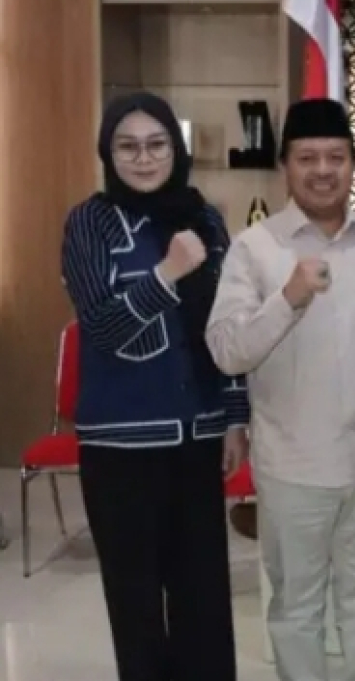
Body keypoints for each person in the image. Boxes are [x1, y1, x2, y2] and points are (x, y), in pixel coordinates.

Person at [205, 98, 355, 681]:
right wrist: (288, 299)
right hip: (293, 464)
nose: (323, 170)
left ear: (354, 163)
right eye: (307, 157)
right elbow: (227, 350)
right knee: (297, 606)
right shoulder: (254, 248)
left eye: (336, 156)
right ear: (286, 165)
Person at [60, 91, 248, 681]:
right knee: (136, 604)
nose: (144, 158)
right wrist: (167, 274)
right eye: (128, 146)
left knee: (204, 602)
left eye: (157, 144)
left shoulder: (206, 219)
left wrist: (235, 417)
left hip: (199, 438)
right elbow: (103, 327)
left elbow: (227, 326)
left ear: (176, 148)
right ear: (108, 154)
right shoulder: (88, 222)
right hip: (121, 448)